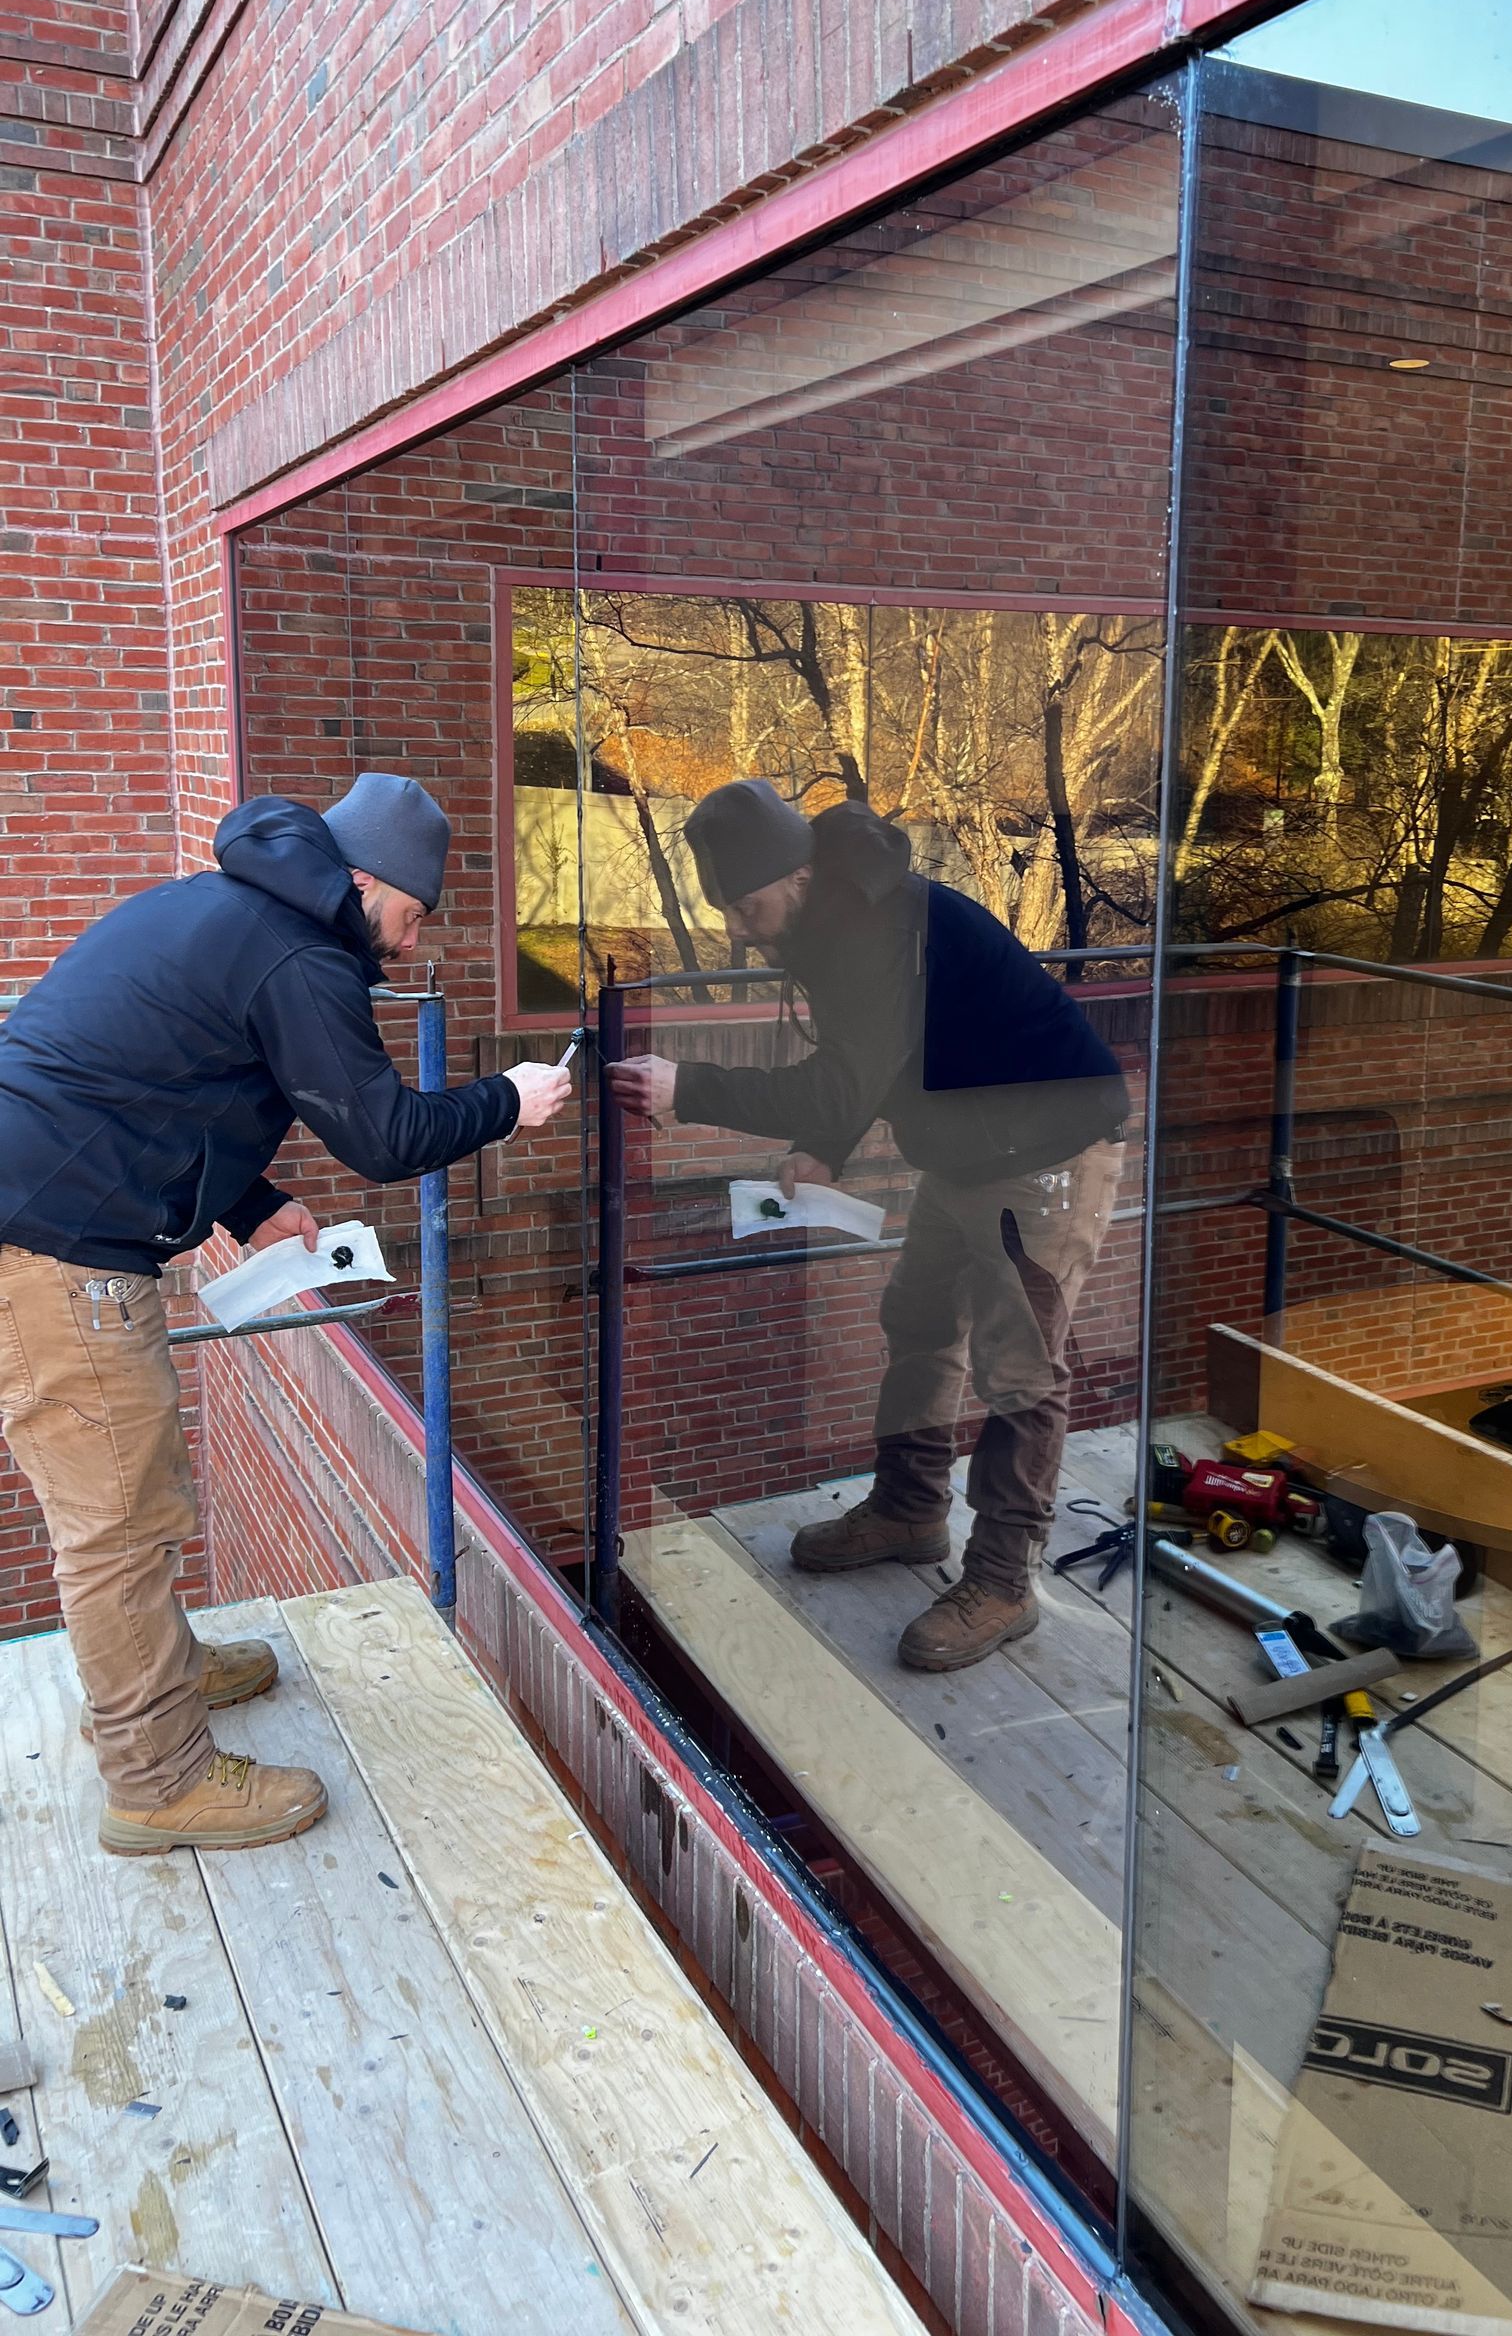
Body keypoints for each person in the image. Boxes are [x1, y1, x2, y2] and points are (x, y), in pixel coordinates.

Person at [0, 775, 574, 1855]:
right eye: (411, 916)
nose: (409, 946)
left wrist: (250, 1203)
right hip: (52, 1245)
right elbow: (385, 1136)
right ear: (363, 882)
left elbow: (159, 1080)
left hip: (44, 1213)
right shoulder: (301, 955)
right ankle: (157, 1779)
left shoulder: (228, 907)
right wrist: (509, 1100)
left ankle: (157, 1677)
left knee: (133, 1497)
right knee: (119, 1522)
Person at [609, 779, 1127, 1670]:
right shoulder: (833, 916)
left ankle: (1003, 1579)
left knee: (1020, 1371)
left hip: (1046, 1153)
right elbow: (874, 1060)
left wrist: (689, 1086)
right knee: (918, 1320)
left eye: (746, 906)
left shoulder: (873, 929)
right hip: (966, 1150)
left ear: (797, 874)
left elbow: (844, 1078)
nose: (739, 930)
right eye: (727, 909)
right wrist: (824, 1148)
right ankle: (910, 1510)